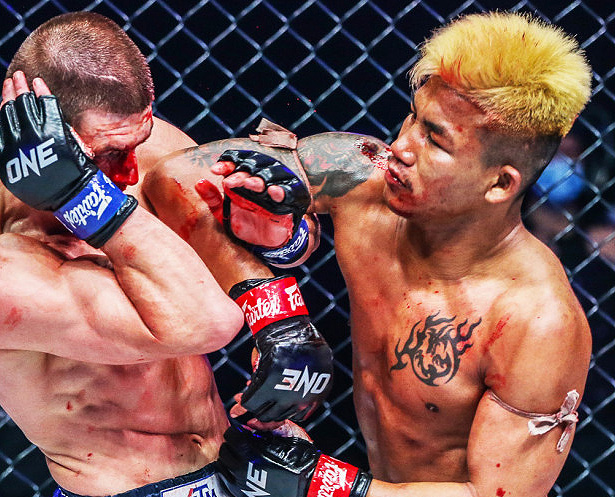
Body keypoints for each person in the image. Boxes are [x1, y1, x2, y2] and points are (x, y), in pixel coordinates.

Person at [156, 11, 594, 497]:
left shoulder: (537, 321)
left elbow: (498, 494)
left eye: (435, 138)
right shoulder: (359, 177)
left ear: (500, 183)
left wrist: (322, 484)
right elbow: (173, 180)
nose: (401, 146)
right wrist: (277, 290)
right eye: (413, 116)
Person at [0, 11, 332, 497]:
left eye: (137, 142)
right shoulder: (10, 253)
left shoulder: (144, 147)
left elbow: (284, 241)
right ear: (39, 133)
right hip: (125, 485)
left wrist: (282, 250)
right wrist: (78, 194)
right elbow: (206, 322)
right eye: (105, 156)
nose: (129, 173)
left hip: (233, 462)